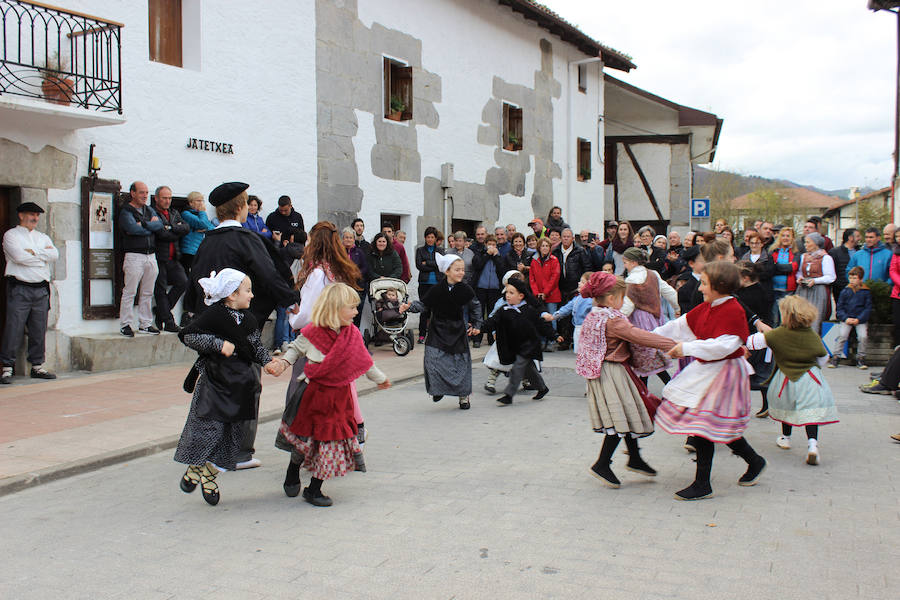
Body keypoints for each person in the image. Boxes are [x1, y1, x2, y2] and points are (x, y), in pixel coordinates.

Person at [184, 182, 301, 470]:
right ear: (240, 208)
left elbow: (193, 280)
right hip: (239, 327)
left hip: (210, 326)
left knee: (216, 385)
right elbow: (269, 272)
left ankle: (209, 449)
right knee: (248, 385)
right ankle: (238, 453)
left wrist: (193, 312)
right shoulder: (244, 238)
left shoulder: (207, 242)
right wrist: (290, 299)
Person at [653, 261, 767, 500]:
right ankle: (754, 461)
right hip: (708, 371)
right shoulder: (708, 306)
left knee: (705, 426)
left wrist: (685, 347)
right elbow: (679, 325)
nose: (701, 289)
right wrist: (647, 337)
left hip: (726, 373)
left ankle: (703, 483)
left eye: (704, 284)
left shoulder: (733, 310)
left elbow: (723, 346)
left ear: (720, 286)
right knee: (715, 425)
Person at [270, 283, 391, 506]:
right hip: (313, 396)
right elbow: (296, 349)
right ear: (335, 308)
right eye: (352, 307)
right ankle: (292, 470)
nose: (356, 312)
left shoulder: (352, 335)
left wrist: (380, 378)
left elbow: (365, 361)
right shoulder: (313, 331)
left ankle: (314, 489)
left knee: (331, 444)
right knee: (304, 441)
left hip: (338, 399)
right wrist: (283, 362)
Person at [174, 269, 279, 506]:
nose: (252, 296)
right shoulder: (214, 316)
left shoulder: (249, 320)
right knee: (208, 430)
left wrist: (269, 362)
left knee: (230, 437)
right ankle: (195, 468)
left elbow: (255, 347)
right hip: (215, 382)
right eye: (248, 290)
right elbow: (188, 336)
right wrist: (218, 344)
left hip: (240, 385)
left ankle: (208, 476)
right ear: (232, 294)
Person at [577, 272, 676, 488]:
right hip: (613, 372)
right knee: (620, 416)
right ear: (612, 299)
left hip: (607, 371)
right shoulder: (613, 321)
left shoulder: (595, 316)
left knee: (628, 412)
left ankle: (635, 458)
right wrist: (671, 344)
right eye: (623, 298)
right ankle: (602, 464)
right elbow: (639, 335)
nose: (624, 303)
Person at [749, 296, 837, 466]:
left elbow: (752, 343)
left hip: (785, 377)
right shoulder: (811, 334)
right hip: (810, 377)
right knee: (810, 411)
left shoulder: (777, 334)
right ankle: (812, 445)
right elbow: (824, 357)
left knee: (786, 407)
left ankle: (786, 438)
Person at [399, 253, 482, 409]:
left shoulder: (465, 289)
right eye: (457, 269)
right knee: (432, 360)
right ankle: (438, 389)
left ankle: (463, 397)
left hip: (458, 329)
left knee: (460, 364)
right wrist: (409, 307)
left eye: (463, 270)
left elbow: (475, 306)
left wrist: (477, 324)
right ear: (447, 271)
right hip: (437, 329)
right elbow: (424, 305)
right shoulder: (437, 289)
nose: (461, 273)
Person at [0, 202, 59, 383]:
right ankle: (7, 368)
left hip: (40, 289)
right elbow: (18, 257)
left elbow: (54, 255)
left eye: (37, 215)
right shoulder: (11, 235)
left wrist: (33, 253)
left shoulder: (43, 237)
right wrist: (41, 257)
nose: (35, 218)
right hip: (20, 288)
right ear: (21, 215)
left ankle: (37, 366)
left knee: (38, 328)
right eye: (31, 214)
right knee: (14, 327)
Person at [481, 277, 559, 405]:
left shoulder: (528, 310)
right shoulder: (504, 310)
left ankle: (509, 395)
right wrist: (480, 330)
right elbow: (492, 322)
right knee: (529, 369)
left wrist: (554, 335)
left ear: (521, 296)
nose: (508, 295)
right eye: (506, 292)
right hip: (515, 346)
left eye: (511, 293)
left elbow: (541, 324)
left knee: (517, 367)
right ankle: (542, 388)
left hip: (529, 345)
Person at [620, 247, 678, 385]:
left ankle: (657, 389)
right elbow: (669, 292)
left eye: (626, 262)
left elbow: (628, 306)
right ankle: (647, 391)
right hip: (655, 319)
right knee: (651, 357)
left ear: (633, 262)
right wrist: (677, 306)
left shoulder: (632, 280)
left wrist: (618, 319)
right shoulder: (653, 274)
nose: (625, 266)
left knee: (646, 358)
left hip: (639, 321)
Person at [118, 181, 163, 337]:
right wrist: (149, 226)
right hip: (134, 256)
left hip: (151, 255)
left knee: (147, 292)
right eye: (141, 192)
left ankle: (145, 324)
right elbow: (131, 228)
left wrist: (143, 224)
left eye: (146, 192)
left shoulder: (148, 209)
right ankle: (125, 324)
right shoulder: (126, 211)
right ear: (133, 193)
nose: (145, 195)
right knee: (130, 291)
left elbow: (159, 226)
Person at [736, 261, 773, 418]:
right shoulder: (763, 290)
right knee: (761, 373)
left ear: (745, 278)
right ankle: (766, 404)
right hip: (762, 338)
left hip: (751, 339)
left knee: (745, 373)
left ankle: (740, 407)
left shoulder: (745, 295)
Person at [151, 186, 190, 333]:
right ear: (156, 198)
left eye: (169, 198)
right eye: (164, 198)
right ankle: (168, 321)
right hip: (158, 257)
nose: (167, 201)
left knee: (183, 282)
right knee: (160, 290)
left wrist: (171, 228)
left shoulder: (174, 213)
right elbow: (161, 234)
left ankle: (161, 312)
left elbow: (186, 228)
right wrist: (175, 230)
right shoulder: (152, 213)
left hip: (174, 258)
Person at [552, 228, 592, 350]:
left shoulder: (580, 251)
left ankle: (576, 340)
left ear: (573, 238)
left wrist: (584, 285)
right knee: (564, 315)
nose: (565, 239)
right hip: (561, 287)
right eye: (563, 237)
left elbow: (587, 267)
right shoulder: (556, 251)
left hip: (575, 287)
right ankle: (565, 340)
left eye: (568, 237)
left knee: (577, 313)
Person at [830, 266, 873, 369]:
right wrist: (845, 318)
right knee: (842, 335)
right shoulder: (845, 291)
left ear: (860, 279)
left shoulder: (866, 292)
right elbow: (840, 307)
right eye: (850, 278)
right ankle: (836, 357)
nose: (852, 280)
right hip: (847, 318)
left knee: (863, 336)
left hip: (860, 319)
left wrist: (859, 319)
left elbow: (867, 308)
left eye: (855, 278)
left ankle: (861, 358)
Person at [796, 232, 835, 335]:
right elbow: (799, 272)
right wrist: (799, 278)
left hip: (818, 291)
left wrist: (815, 281)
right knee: (800, 319)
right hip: (804, 290)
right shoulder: (804, 257)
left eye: (808, 242)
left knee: (815, 320)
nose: (805, 245)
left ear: (816, 244)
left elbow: (831, 277)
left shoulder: (826, 258)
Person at [545, 271, 594, 353]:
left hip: (588, 329)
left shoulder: (592, 300)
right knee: (579, 353)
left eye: (582, 282)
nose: (579, 283)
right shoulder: (578, 298)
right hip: (578, 328)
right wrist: (555, 316)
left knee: (587, 353)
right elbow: (567, 308)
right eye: (580, 281)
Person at [471, 234, 504, 347]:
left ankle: (491, 338)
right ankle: (477, 338)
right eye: (489, 244)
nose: (491, 246)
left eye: (494, 245)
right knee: (479, 313)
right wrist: (487, 255)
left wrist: (495, 256)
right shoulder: (479, 254)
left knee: (492, 313)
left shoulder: (499, 256)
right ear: (485, 245)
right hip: (480, 288)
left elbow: (501, 270)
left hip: (494, 289)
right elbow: (478, 265)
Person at [529, 237, 562, 348]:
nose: (544, 248)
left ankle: (552, 341)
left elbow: (554, 277)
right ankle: (542, 341)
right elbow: (531, 278)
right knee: (541, 319)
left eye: (547, 246)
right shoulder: (534, 260)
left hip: (551, 294)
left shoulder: (554, 260)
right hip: (538, 295)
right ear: (539, 247)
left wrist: (545, 292)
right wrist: (536, 292)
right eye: (542, 246)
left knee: (551, 318)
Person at [415, 226, 443, 343]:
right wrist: (433, 264)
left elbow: (441, 265)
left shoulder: (440, 251)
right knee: (424, 310)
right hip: (424, 283)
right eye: (428, 237)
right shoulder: (420, 250)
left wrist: (428, 263)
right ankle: (422, 335)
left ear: (436, 238)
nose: (430, 239)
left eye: (432, 237)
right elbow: (419, 266)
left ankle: (435, 336)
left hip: (437, 284)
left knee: (436, 311)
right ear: (425, 238)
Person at [770, 226, 800, 327]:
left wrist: (777, 266)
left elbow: (793, 267)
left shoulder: (795, 253)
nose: (785, 238)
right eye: (783, 235)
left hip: (788, 289)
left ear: (792, 238)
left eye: (788, 236)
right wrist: (785, 267)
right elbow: (770, 267)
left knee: (785, 318)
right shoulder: (773, 251)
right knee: (774, 317)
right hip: (773, 288)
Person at [179, 191, 214, 277]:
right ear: (191, 202)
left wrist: (204, 227)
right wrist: (202, 212)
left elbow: (211, 228)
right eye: (198, 201)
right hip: (189, 251)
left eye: (202, 201)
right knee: (189, 276)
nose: (201, 203)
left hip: (198, 250)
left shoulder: (200, 215)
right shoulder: (186, 214)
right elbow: (202, 224)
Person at [342, 227, 369, 328]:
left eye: (350, 237)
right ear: (343, 239)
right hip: (344, 287)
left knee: (356, 314)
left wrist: (356, 274)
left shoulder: (359, 252)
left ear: (354, 239)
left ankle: (355, 335)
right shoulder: (339, 252)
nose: (348, 239)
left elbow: (365, 268)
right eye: (346, 237)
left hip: (357, 286)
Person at [739, 230, 774, 304]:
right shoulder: (744, 258)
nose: (754, 246)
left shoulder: (768, 257)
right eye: (752, 243)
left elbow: (768, 273)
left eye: (757, 243)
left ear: (762, 244)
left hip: (764, 292)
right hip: (747, 292)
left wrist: (752, 274)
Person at [828, 228, 860, 306]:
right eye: (858, 236)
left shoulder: (860, 252)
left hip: (858, 288)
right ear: (850, 238)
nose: (860, 238)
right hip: (841, 289)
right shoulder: (835, 252)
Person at [891, 230, 900, 347]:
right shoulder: (896, 252)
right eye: (897, 236)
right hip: (898, 293)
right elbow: (892, 270)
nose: (898, 238)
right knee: (898, 324)